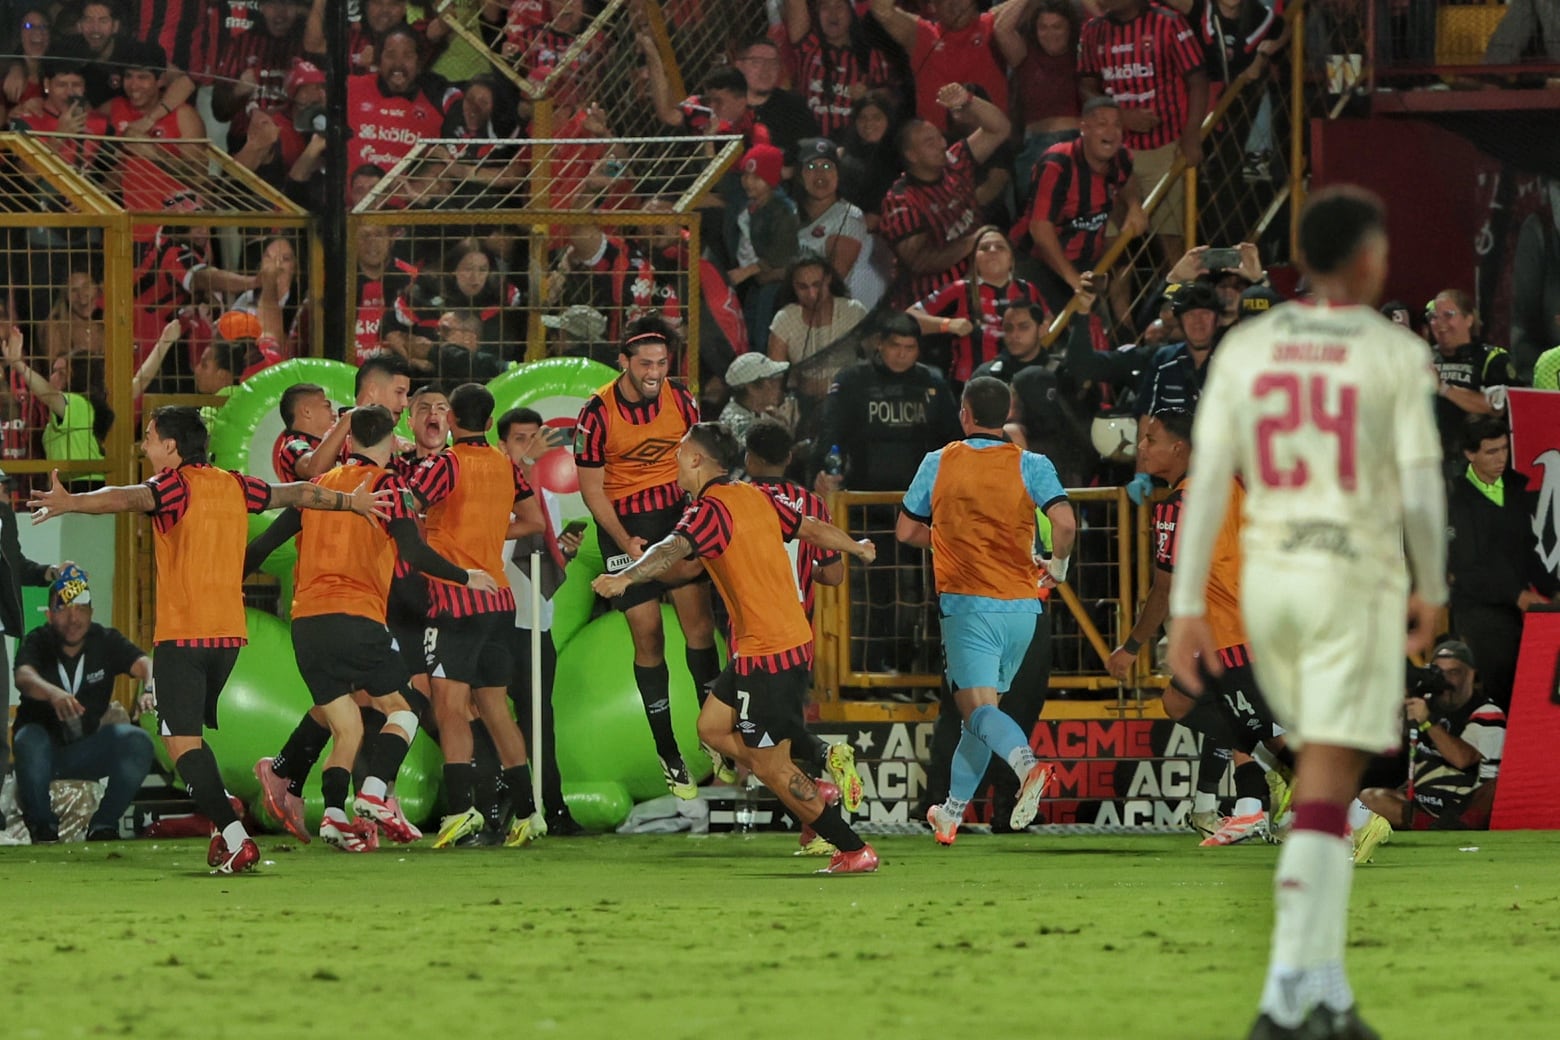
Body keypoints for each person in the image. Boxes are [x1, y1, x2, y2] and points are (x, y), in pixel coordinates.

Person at [1166, 186, 1446, 1038]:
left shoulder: (1249, 347)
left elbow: (1206, 479)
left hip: (1272, 585)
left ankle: (1322, 989)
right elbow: (1420, 488)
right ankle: (1288, 995)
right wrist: (1430, 587)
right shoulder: (1393, 351)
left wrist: (1187, 604)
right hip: (1349, 580)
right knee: (1329, 785)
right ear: (1365, 259)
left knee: (1322, 788)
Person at [28, 405, 394, 874]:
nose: (144, 443)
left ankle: (235, 835)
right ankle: (223, 812)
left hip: (185, 635)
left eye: (149, 435)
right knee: (190, 742)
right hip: (228, 639)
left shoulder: (174, 485)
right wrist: (351, 503)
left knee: (180, 745)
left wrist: (72, 501)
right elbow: (300, 492)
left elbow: (128, 498)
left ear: (171, 446)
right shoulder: (235, 484)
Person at [591, 421, 882, 874]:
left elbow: (670, 550)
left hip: (770, 652)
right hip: (767, 644)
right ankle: (811, 773)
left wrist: (624, 578)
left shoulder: (709, 510)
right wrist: (857, 547)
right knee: (711, 728)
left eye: (678, 453)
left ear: (696, 459)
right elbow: (811, 528)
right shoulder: (755, 496)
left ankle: (852, 848)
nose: (673, 461)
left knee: (768, 767)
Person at [245, 405, 496, 850]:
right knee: (404, 710)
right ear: (392, 438)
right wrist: (466, 577)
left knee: (347, 727)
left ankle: (334, 817)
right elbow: (414, 553)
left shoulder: (318, 486)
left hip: (306, 624)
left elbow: (263, 544)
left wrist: (228, 584)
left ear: (348, 440)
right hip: (356, 617)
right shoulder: (388, 486)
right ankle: (375, 792)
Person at [898, 376, 1076, 843]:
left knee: (976, 711)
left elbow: (906, 531)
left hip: (968, 607)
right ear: (1006, 414)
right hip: (1023, 610)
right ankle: (951, 812)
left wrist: (948, 540)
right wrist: (1058, 567)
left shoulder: (939, 461)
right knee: (981, 716)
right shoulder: (1032, 463)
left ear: (965, 414)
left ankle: (1027, 766)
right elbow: (1065, 523)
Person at [1107, 410, 1289, 845]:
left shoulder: (1179, 506)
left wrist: (1131, 647)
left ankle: (1353, 813)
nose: (1141, 447)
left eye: (1151, 439)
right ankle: (1246, 806)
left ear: (1179, 448)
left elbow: (1165, 588)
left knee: (1269, 734)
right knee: (1181, 704)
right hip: (1248, 625)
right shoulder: (1234, 483)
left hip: (1236, 635)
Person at [573, 320, 718, 797]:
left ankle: (714, 737)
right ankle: (667, 751)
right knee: (649, 635)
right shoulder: (596, 413)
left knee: (700, 628)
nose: (654, 372)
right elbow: (592, 491)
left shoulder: (683, 400)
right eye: (645, 364)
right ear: (624, 362)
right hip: (625, 530)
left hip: (675, 522)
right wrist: (625, 541)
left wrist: (694, 522)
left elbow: (699, 464)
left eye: (661, 363)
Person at [408, 383, 546, 848]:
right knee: (495, 708)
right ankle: (528, 812)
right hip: (500, 601)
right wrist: (488, 529)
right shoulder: (506, 464)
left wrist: (437, 534)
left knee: (448, 707)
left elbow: (407, 509)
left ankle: (460, 809)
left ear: (451, 420)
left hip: (456, 599)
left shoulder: (445, 464)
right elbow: (534, 522)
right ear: (489, 423)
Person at [10, 565, 154, 844]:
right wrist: (53, 693)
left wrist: (148, 690)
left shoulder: (105, 640)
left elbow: (145, 664)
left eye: (81, 607)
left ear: (91, 612)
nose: (73, 617)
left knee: (136, 741)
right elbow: (23, 677)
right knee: (29, 739)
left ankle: (103, 825)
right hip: (40, 753)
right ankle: (43, 829)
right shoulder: (38, 641)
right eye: (63, 608)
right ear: (49, 614)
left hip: (84, 751)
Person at [496, 407, 583, 836]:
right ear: (502, 446)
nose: (530, 448)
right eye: (521, 440)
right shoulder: (494, 491)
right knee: (492, 716)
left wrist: (564, 551)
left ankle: (553, 806)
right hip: (497, 621)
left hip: (536, 623)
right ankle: (499, 805)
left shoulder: (547, 497)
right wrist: (526, 468)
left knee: (538, 719)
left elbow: (546, 565)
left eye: (536, 439)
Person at [1351, 641, 1506, 862]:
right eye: (1438, 672)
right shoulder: (1424, 704)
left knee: (1497, 788)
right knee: (1369, 797)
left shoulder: (1486, 710)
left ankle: (1448, 827)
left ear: (1471, 675)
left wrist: (1427, 722)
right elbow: (1389, 748)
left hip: (1463, 803)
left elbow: (1463, 759)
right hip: (1421, 803)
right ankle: (1434, 828)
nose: (1445, 680)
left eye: (1454, 672)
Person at [1078, 0, 1208, 261]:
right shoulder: (1092, 30)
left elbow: (1198, 81)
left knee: (1171, 239)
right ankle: (1119, 292)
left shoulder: (1170, 23)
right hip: (1113, 151)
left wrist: (1191, 135)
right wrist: (1120, 116)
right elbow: (1085, 86)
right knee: (1110, 242)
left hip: (1164, 145)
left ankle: (1179, 287)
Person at [1445, 415, 1556, 711]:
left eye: (1504, 448)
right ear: (1470, 454)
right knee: (1508, 687)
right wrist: (1516, 595)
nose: (1501, 458)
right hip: (1479, 609)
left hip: (1517, 608)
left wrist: (1553, 589)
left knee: (1540, 683)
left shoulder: (1515, 488)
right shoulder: (1455, 500)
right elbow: (1465, 567)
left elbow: (1528, 550)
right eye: (1491, 451)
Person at [879, 82, 1011, 310]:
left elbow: (1000, 128)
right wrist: (973, 242)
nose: (942, 144)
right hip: (934, 304)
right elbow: (919, 261)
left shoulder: (954, 161)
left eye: (939, 137)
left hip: (979, 287)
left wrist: (967, 100)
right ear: (912, 155)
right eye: (930, 142)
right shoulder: (900, 200)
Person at [1020, 95, 1143, 313]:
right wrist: (1074, 280)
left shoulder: (1121, 156)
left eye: (1117, 125)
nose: (1111, 132)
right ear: (1084, 128)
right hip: (1041, 263)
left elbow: (1128, 179)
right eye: (1102, 124)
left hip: (1087, 261)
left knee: (1093, 327)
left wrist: (1134, 206)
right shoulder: (1057, 162)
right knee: (1047, 327)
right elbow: (1040, 228)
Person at [908, 226, 1046, 386]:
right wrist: (947, 324)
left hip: (1021, 384)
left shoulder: (1028, 289)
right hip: (970, 385)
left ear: (1011, 258)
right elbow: (909, 317)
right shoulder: (959, 289)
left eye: (1000, 247)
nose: (992, 251)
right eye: (984, 248)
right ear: (974, 259)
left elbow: (1047, 323)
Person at [0, 474, 60, 834]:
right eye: (2, 487)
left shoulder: (5, 518)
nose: (5, 493)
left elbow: (16, 564)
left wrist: (46, 573)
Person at [1428, 289, 1519, 465]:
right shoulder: (1424, 357)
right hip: (1433, 460)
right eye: (1434, 317)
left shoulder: (1492, 358)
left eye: (1448, 315)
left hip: (1478, 464)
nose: (1439, 323)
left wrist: (1444, 388)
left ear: (1469, 319)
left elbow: (1497, 409)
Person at [792, 136, 882, 310]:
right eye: (811, 167)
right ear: (800, 176)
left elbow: (834, 281)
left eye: (827, 166)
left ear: (839, 174)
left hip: (828, 310)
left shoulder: (849, 217)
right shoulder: (791, 213)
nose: (820, 174)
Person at [719, 353, 795, 447]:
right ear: (752, 388)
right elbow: (765, 454)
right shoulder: (741, 424)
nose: (778, 384)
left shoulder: (757, 412)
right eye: (773, 379)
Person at [271, 382, 334, 483]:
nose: (334, 414)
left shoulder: (325, 445)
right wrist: (345, 422)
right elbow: (314, 469)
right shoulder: (293, 445)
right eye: (327, 406)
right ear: (306, 411)